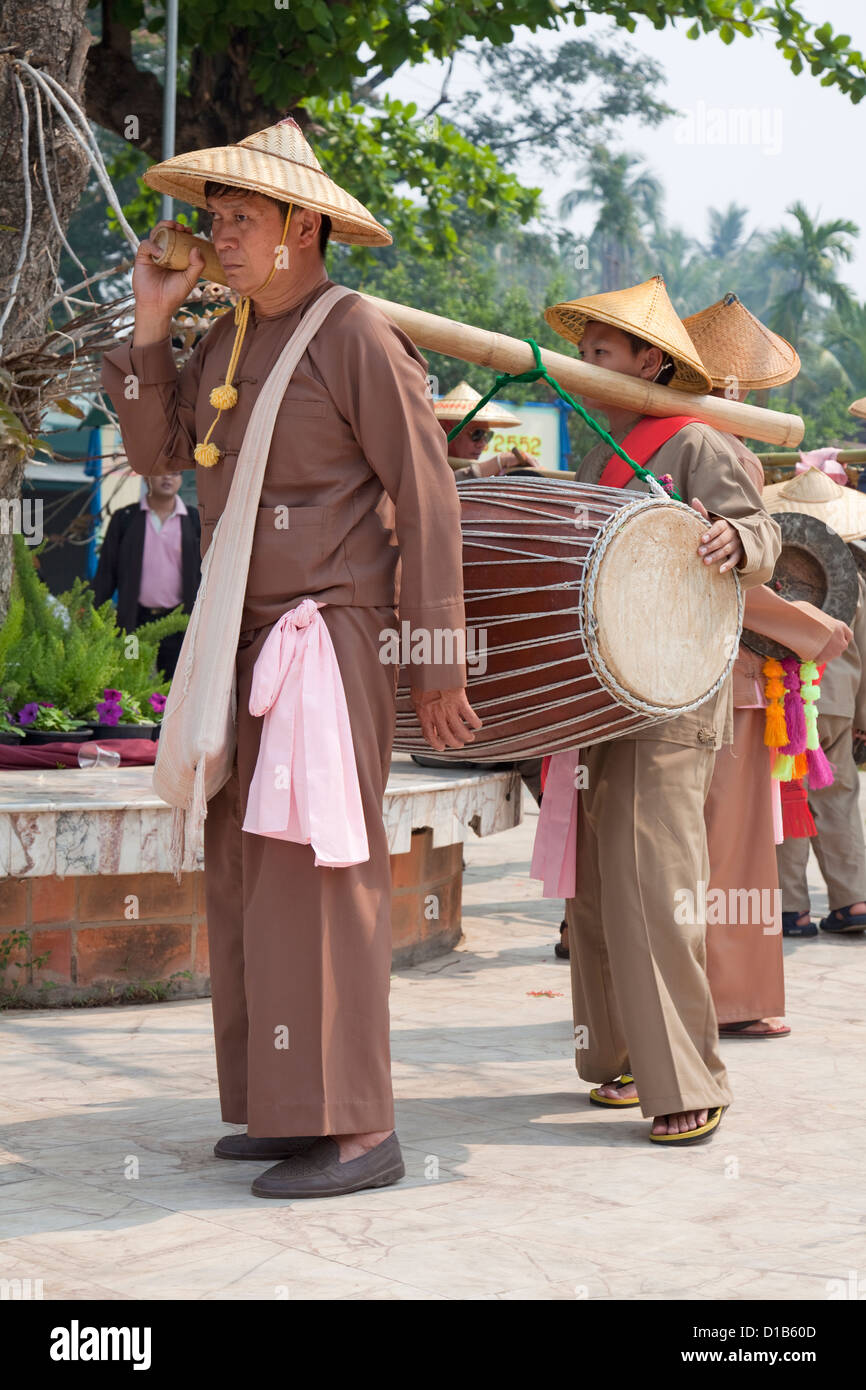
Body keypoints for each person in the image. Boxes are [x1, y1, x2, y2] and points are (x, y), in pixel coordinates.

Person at [101, 116, 479, 1199]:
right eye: (212, 220)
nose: (217, 238)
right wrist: (151, 321)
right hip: (239, 636)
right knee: (248, 872)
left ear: (302, 228)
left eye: (240, 220)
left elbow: (428, 493)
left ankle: (357, 1128)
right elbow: (154, 451)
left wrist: (436, 654)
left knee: (322, 871)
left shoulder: (355, 332)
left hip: (330, 635)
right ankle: (287, 1106)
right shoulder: (221, 338)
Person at [538, 275, 781, 1143]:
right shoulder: (598, 448)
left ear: (649, 360)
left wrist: (735, 538)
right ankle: (619, 1058)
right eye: (582, 352)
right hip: (600, 692)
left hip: (673, 696)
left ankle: (689, 1077)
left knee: (658, 883)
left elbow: (766, 534)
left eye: (600, 352)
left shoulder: (699, 441)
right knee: (599, 892)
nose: (586, 365)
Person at [682, 294, 852, 1034]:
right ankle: (736, 1001)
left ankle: (682, 1002)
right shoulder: (722, 453)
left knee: (686, 851)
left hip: (671, 677)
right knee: (737, 848)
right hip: (728, 676)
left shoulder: (645, 445)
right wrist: (812, 629)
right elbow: (733, 580)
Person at [763, 464, 866, 936]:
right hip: (839, 701)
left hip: (782, 698)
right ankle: (854, 902)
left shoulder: (771, 570)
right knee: (839, 797)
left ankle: (792, 909)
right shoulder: (855, 582)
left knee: (786, 793)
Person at [92, 472, 201, 679]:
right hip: (133, 620)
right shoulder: (125, 518)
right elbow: (106, 572)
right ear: (146, 478)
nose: (167, 477)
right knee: (128, 675)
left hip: (177, 622)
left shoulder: (194, 520)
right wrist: (91, 612)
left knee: (174, 683)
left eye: (175, 473)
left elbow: (204, 573)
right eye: (160, 472)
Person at [434, 379, 539, 480]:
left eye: (487, 436)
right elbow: (447, 483)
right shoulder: (426, 462)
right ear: (446, 429)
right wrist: (499, 461)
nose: (482, 444)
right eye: (477, 434)